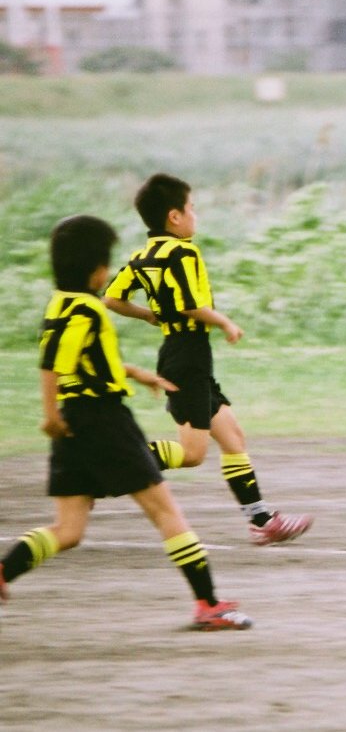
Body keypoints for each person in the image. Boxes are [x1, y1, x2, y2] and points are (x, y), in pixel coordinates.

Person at [1, 215, 252, 631]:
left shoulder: (60, 304)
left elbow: (79, 361)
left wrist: (134, 373)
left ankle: (3, 572)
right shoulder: (87, 309)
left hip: (75, 423)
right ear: (99, 272)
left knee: (68, 530)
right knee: (165, 511)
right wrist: (48, 416)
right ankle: (209, 604)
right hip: (103, 421)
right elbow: (52, 364)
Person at [102, 173, 312, 546]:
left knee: (232, 436)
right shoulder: (184, 252)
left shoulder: (141, 256)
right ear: (174, 217)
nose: (195, 215)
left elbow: (111, 299)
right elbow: (190, 306)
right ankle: (110, 466)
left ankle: (261, 520)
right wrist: (225, 321)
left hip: (182, 354)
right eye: (192, 208)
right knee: (191, 454)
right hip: (188, 357)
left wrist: (148, 315)